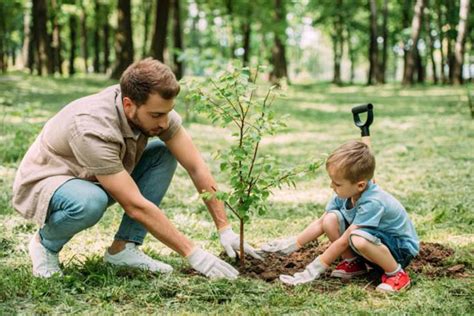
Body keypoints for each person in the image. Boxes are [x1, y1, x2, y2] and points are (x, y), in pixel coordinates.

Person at [12, 58, 261, 279]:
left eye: (168, 112)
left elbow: (196, 165)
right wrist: (193, 253)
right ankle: (45, 245)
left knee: (163, 154)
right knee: (90, 201)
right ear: (129, 104)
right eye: (156, 115)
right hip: (50, 180)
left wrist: (224, 227)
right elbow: (134, 205)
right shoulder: (92, 127)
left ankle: (123, 249)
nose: (164, 122)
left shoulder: (155, 111)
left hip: (96, 175)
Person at [261, 140, 419, 292]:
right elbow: (321, 222)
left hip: (399, 249)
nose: (332, 186)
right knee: (330, 219)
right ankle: (354, 263)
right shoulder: (346, 193)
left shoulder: (373, 202)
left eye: (337, 184)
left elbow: (345, 241)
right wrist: (293, 244)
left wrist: (314, 269)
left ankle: (396, 274)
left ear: (360, 185)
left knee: (358, 238)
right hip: (377, 243)